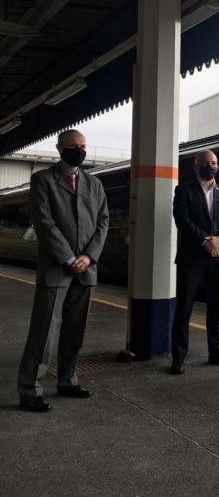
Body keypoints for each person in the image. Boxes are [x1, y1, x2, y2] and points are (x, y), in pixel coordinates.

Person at [18, 129, 109, 412]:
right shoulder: (43, 180)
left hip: (86, 269)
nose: (80, 151)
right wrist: (70, 258)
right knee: (44, 331)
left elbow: (103, 222)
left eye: (83, 146)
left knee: (75, 329)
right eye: (74, 146)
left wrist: (88, 257)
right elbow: (44, 224)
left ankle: (68, 380)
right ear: (59, 148)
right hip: (57, 269)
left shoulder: (94, 184)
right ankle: (30, 389)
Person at [170, 149, 219, 374]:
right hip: (193, 258)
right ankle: (178, 358)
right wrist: (205, 241)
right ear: (196, 166)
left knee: (216, 308)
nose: (212, 166)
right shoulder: (183, 191)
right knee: (184, 308)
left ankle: (217, 352)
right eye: (207, 163)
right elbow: (182, 220)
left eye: (215, 162)